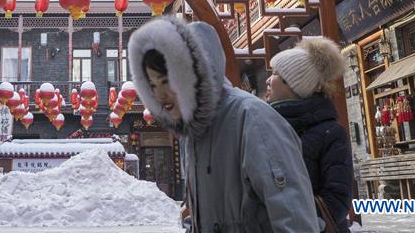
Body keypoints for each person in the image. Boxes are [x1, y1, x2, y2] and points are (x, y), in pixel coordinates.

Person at [129, 17, 318, 232]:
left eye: (166, 80)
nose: (160, 94)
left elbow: (294, 218)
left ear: (194, 73)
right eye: (152, 85)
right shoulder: (193, 134)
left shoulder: (252, 118)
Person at [268, 36, 354, 233]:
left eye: (274, 74)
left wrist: (282, 216)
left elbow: (337, 201)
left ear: (293, 85)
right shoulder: (267, 126)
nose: (268, 80)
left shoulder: (331, 133)